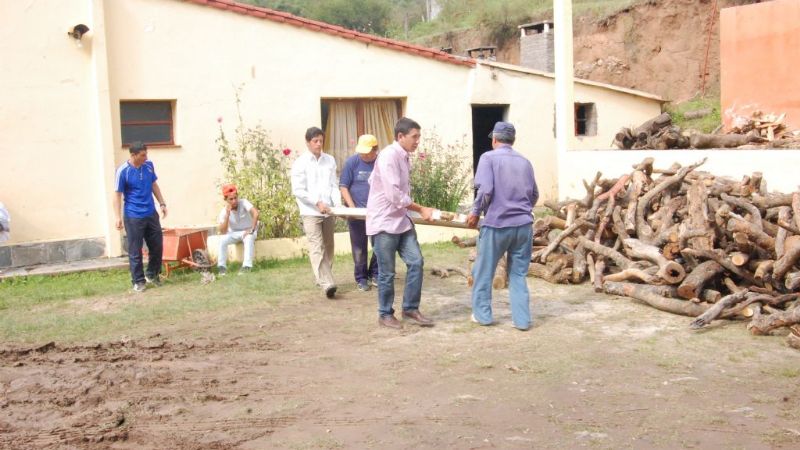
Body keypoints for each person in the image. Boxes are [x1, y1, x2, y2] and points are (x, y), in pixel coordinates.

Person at [467, 122, 538, 331]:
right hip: (523, 226)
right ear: (512, 140)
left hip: (497, 225)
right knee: (518, 274)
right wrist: (522, 209)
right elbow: (535, 194)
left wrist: (475, 212)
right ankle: (522, 320)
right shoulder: (525, 162)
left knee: (483, 271)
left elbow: (485, 190)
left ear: (495, 139)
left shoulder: (488, 158)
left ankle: (483, 316)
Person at [367, 117, 435, 329]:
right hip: (384, 223)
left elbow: (374, 181)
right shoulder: (389, 155)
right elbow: (394, 195)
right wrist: (421, 208)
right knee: (387, 273)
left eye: (419, 137)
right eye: (414, 137)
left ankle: (410, 308)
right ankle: (385, 314)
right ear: (400, 136)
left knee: (416, 262)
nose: (418, 141)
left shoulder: (403, 156)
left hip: (401, 221)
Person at [291, 126, 342, 299]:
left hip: (328, 211)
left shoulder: (330, 160)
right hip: (310, 211)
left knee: (328, 246)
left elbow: (334, 185)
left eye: (321, 140)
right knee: (316, 246)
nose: (319, 144)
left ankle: (322, 278)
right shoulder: (300, 163)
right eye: (315, 141)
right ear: (308, 142)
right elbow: (298, 190)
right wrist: (317, 202)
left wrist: (337, 205)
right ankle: (327, 283)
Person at [113, 141, 168, 292]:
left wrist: (162, 203)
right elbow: (117, 195)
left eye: (146, 154)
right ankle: (138, 281)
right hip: (133, 216)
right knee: (135, 250)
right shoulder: (123, 171)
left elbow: (154, 185)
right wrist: (117, 217)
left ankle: (152, 274)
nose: (146, 157)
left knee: (157, 246)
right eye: (143, 155)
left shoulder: (149, 166)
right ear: (133, 155)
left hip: (151, 213)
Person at [339, 134, 380, 291]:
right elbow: (343, 187)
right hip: (357, 214)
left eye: (367, 152)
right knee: (359, 248)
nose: (363, 155)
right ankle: (361, 278)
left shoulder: (381, 163)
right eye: (361, 151)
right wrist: (352, 208)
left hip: (377, 213)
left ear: (375, 150)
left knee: (380, 245)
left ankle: (375, 273)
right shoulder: (352, 162)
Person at [216, 184, 260, 276]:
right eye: (231, 199)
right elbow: (223, 231)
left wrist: (252, 229)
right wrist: (227, 215)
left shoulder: (243, 202)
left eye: (235, 198)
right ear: (226, 200)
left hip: (248, 231)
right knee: (222, 240)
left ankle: (247, 266)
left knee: (249, 237)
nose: (234, 201)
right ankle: (222, 267)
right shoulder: (224, 211)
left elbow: (255, 213)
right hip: (234, 233)